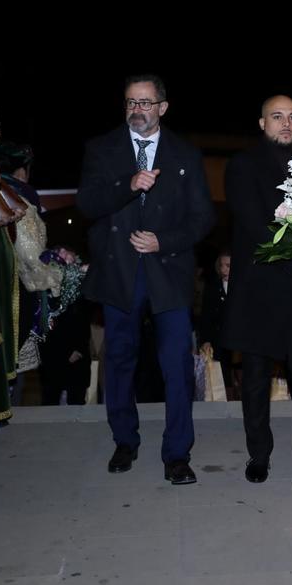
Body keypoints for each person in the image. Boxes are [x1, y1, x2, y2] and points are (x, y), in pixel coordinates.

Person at [77, 74, 214, 485]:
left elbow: (203, 218)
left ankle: (177, 454)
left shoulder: (186, 154)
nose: (137, 109)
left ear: (163, 108)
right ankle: (125, 441)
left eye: (145, 103)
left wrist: (163, 242)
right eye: (130, 102)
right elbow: (86, 203)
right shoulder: (102, 149)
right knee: (119, 361)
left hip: (167, 273)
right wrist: (127, 184)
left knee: (176, 365)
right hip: (120, 274)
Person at [224, 95, 292, 501]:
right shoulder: (242, 167)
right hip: (258, 288)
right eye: (276, 117)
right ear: (261, 122)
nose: (285, 124)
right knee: (255, 379)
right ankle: (258, 455)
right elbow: (259, 228)